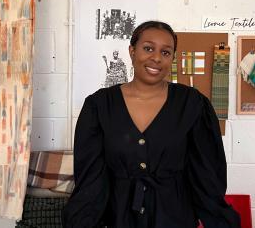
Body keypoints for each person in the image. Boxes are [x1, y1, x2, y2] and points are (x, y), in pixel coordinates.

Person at [62, 21, 241, 228]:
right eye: (148, 48)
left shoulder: (192, 104)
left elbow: (207, 176)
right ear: (132, 51)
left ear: (172, 58)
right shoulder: (99, 106)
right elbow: (90, 180)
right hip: (118, 218)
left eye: (165, 52)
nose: (156, 58)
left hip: (175, 218)